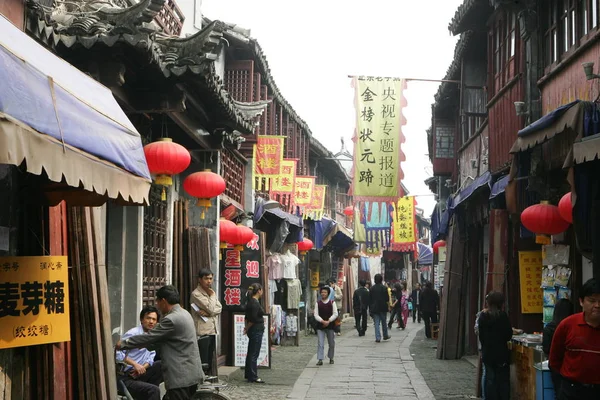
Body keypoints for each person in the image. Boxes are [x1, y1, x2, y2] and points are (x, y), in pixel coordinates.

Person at [116, 285, 203, 400]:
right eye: (148, 318)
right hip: (190, 373)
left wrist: (123, 343)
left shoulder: (171, 319)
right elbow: (156, 342)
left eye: (157, 302)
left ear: (163, 301)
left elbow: (150, 337)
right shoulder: (185, 314)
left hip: (180, 376)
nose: (157, 305)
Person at [549, 278, 600, 400]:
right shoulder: (567, 325)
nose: (597, 305)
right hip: (571, 391)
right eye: (592, 301)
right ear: (581, 301)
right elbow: (555, 360)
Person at [116, 306, 163, 400]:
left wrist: (142, 368)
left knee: (161, 365)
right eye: (148, 318)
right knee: (154, 391)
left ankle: (148, 391)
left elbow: (151, 357)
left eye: (154, 319)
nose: (151, 322)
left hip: (139, 374)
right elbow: (117, 353)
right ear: (142, 319)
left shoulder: (153, 336)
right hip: (126, 376)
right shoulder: (134, 333)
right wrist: (135, 364)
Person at [477, 291, 512, 400]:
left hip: (488, 353)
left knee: (488, 378)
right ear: (500, 303)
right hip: (501, 354)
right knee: (502, 380)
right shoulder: (503, 316)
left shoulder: (482, 316)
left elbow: (481, 336)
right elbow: (508, 335)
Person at [191, 268, 222, 377]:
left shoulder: (210, 293)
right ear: (200, 279)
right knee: (203, 360)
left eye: (210, 278)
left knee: (209, 359)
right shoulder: (196, 294)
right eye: (206, 278)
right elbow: (212, 308)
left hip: (212, 330)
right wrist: (213, 296)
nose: (209, 281)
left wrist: (209, 313)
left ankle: (207, 380)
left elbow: (219, 308)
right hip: (202, 332)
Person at [543, 298, 574, 398]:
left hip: (555, 366)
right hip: (571, 365)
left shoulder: (549, 328)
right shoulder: (573, 327)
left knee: (558, 392)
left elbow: (546, 349)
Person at [244, 283, 266, 384]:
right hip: (256, 329)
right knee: (254, 353)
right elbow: (252, 319)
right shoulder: (254, 303)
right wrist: (247, 328)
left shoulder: (252, 301)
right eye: (261, 290)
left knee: (251, 352)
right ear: (259, 291)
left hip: (255, 329)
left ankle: (249, 374)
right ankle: (253, 376)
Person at [314, 286, 338, 365]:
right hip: (320, 326)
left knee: (331, 343)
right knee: (320, 343)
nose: (323, 294)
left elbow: (335, 314)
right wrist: (322, 321)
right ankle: (320, 359)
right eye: (322, 292)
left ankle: (331, 357)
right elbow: (316, 314)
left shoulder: (332, 302)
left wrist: (329, 321)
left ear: (328, 293)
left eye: (325, 292)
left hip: (330, 326)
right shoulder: (318, 303)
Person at [370, 274, 391, 343]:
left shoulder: (372, 288)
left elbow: (370, 299)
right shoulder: (384, 288)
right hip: (383, 307)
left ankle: (378, 337)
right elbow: (387, 299)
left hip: (375, 308)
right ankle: (385, 335)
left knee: (376, 323)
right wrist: (388, 306)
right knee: (384, 322)